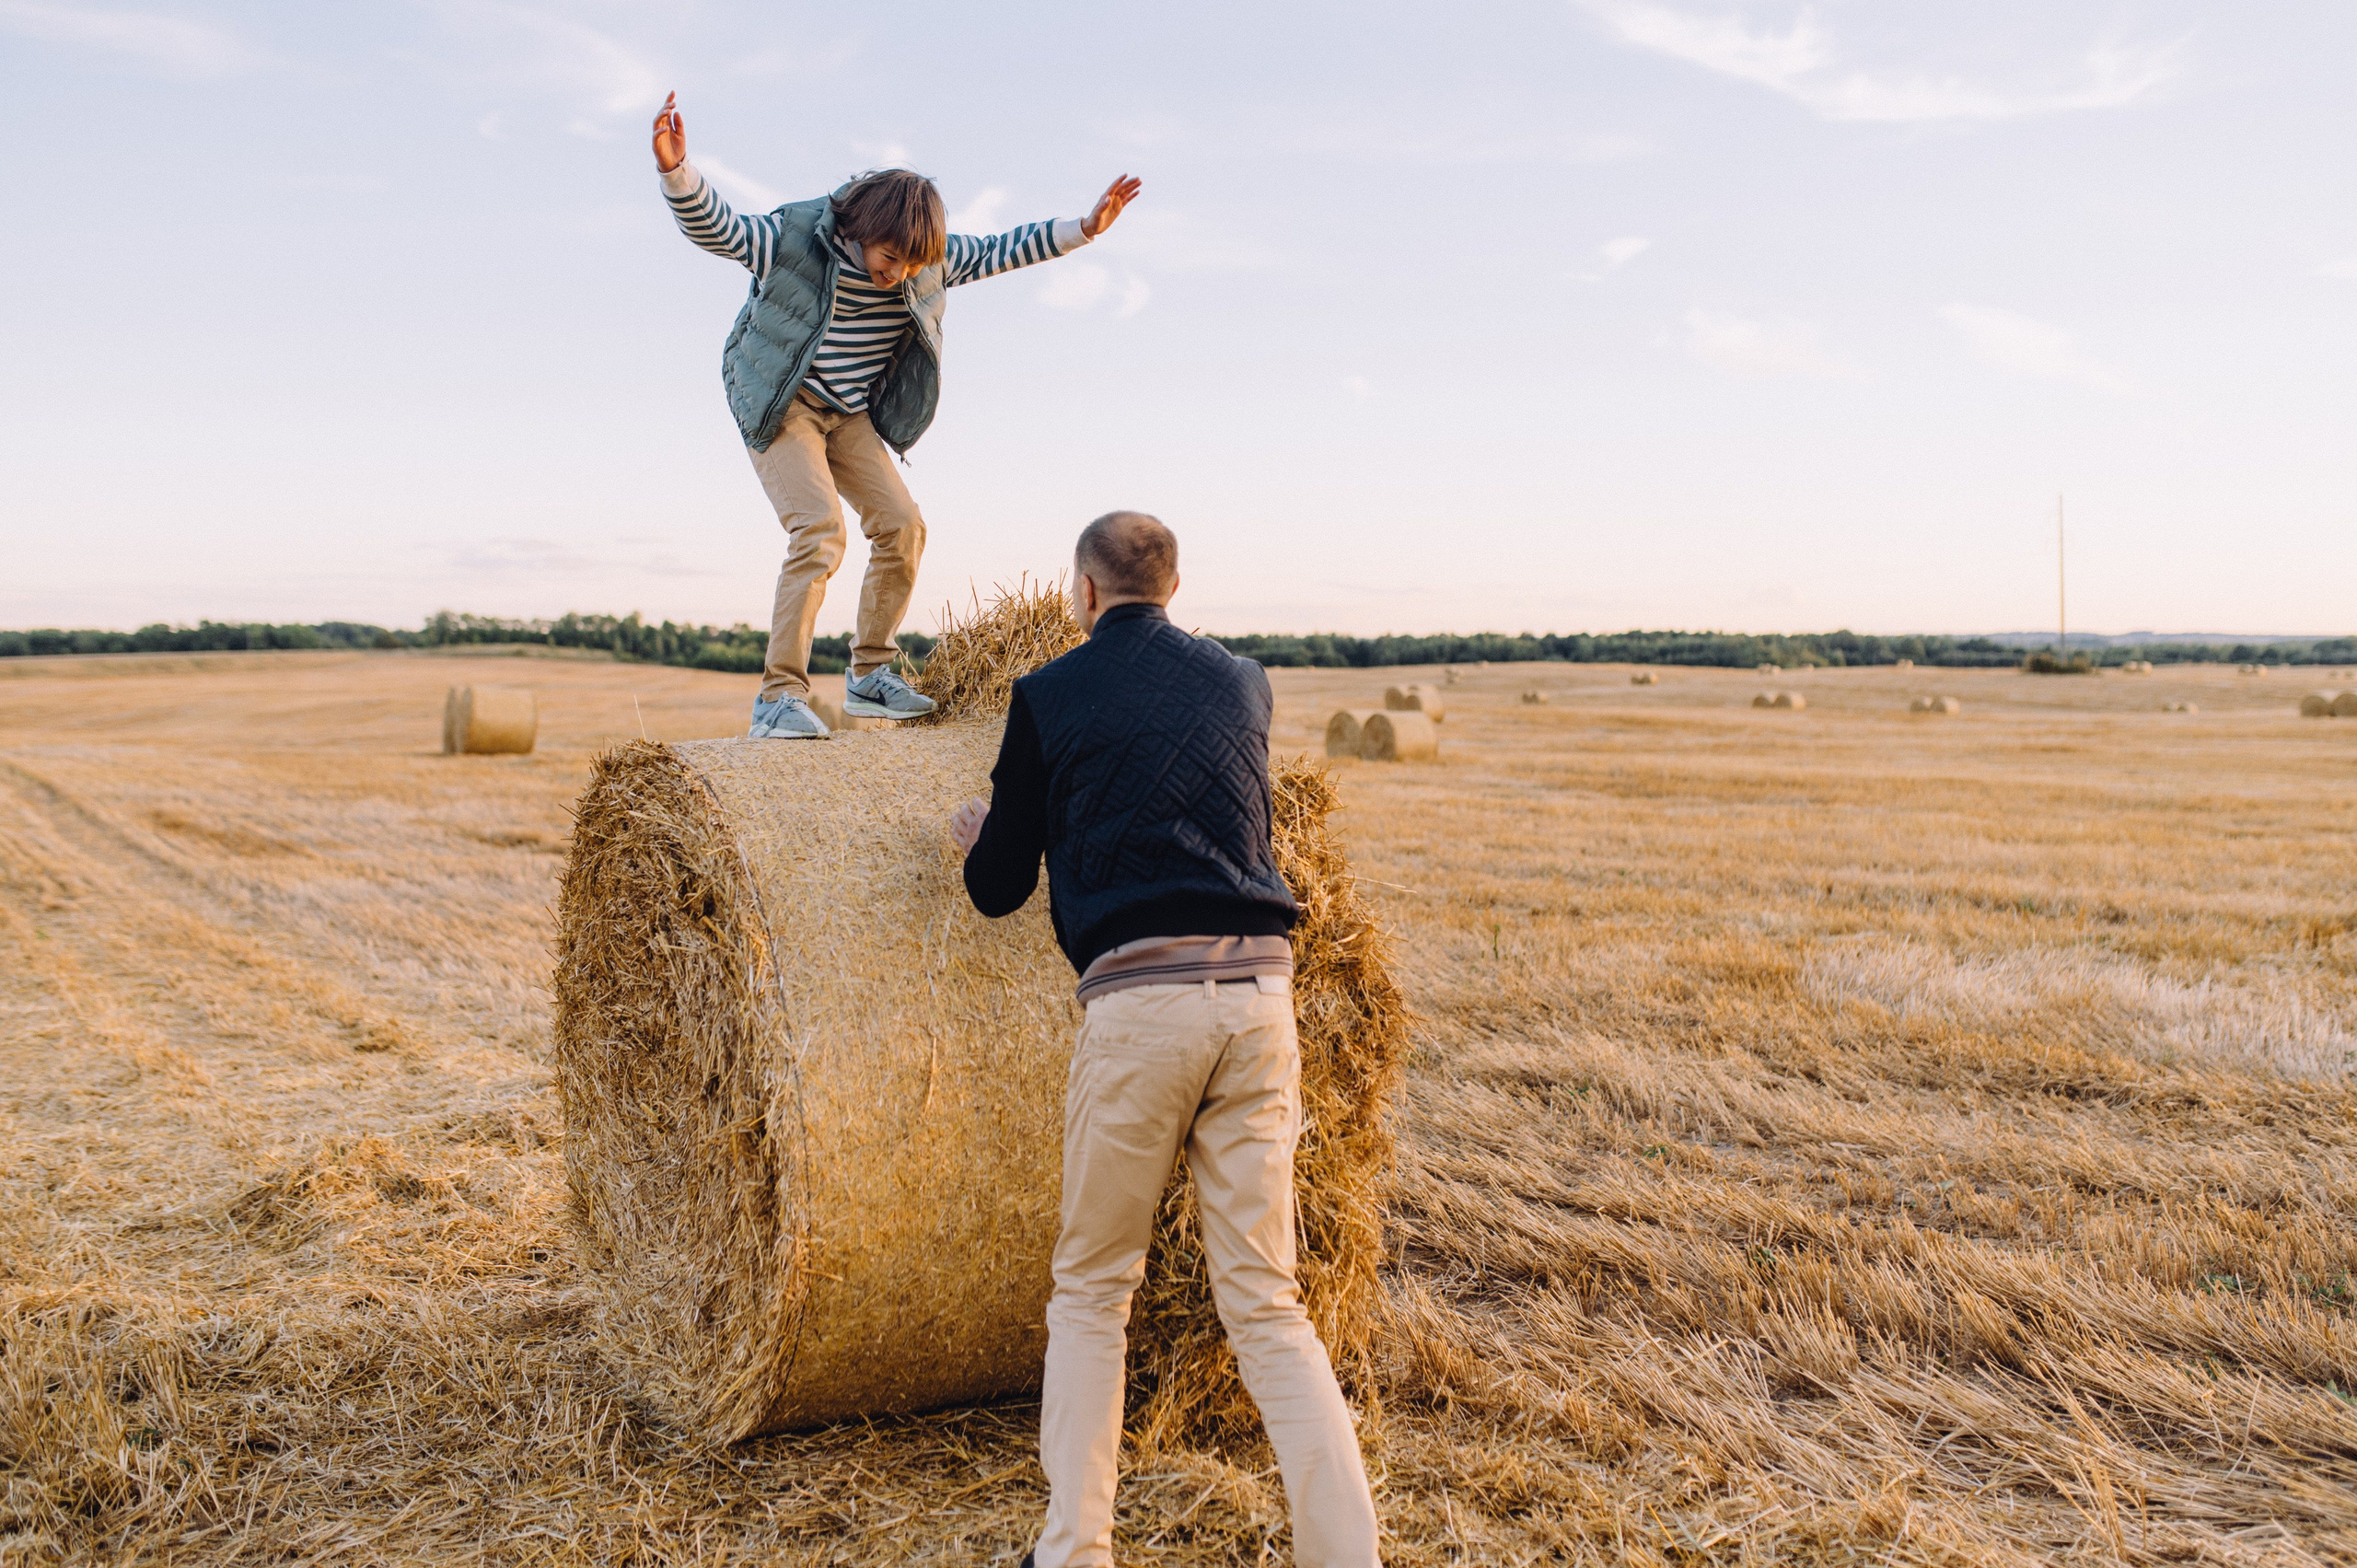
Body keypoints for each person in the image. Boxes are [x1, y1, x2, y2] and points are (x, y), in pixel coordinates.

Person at [950, 513, 1380, 1568]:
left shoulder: (1047, 693)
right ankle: (1347, 1555)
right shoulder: (1243, 683)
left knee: (1095, 1285)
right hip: (1259, 999)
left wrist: (982, 832)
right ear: (1175, 587)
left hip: (1145, 1011)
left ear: (1082, 593)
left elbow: (999, 887)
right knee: (1267, 1298)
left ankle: (1075, 1548)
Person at [650, 93, 1143, 738]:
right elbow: (721, 229)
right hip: (783, 403)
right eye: (890, 260)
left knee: (904, 525)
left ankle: (870, 674)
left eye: (912, 265)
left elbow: (1003, 248)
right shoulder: (796, 237)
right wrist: (677, 173)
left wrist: (1084, 227)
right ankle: (778, 697)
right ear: (859, 228)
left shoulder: (927, 261)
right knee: (820, 530)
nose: (899, 274)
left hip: (849, 415)